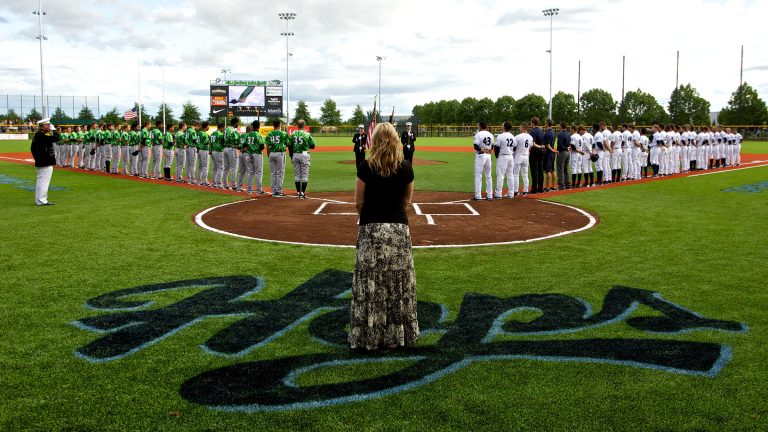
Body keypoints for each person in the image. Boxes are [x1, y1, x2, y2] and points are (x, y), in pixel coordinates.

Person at [350, 122, 418, 351]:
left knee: (371, 283)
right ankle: (394, 337)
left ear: (375, 140)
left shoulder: (366, 166)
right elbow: (407, 201)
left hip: (371, 228)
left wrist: (371, 216)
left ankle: (370, 336)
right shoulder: (406, 167)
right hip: (398, 228)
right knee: (397, 284)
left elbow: (359, 202)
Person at [30, 118, 60, 206]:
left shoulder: (39, 134)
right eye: (48, 125)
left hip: (42, 162)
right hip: (45, 162)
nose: (50, 126)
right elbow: (57, 138)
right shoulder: (41, 135)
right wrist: (54, 130)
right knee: (43, 182)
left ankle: (39, 200)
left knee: (41, 181)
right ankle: (41, 200)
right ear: (43, 126)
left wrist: (38, 159)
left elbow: (32, 149)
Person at [237, 122, 266, 194]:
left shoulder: (248, 135)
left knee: (250, 172)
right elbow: (262, 146)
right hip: (257, 154)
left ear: (253, 126)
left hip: (249, 154)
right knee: (258, 172)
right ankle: (258, 190)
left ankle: (248, 189)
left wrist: (249, 151)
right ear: (259, 127)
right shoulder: (259, 135)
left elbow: (244, 145)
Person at [289, 119, 316, 198]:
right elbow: (313, 146)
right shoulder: (306, 134)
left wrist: (291, 155)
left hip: (295, 154)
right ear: (304, 125)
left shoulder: (293, 133)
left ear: (297, 125)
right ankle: (302, 193)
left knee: (297, 174)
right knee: (304, 174)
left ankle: (298, 192)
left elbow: (289, 145)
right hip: (304, 154)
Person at [266, 119, 289, 197]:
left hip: (271, 153)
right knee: (280, 173)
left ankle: (273, 191)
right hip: (280, 154)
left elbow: (267, 146)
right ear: (279, 124)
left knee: (273, 173)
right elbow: (288, 143)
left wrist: (269, 155)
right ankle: (278, 191)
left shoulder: (269, 134)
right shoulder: (283, 133)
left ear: (273, 125)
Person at [472, 121, 494, 201]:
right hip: (488, 156)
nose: (478, 127)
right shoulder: (490, 134)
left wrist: (481, 149)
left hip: (481, 155)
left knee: (478, 176)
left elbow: (475, 146)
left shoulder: (478, 134)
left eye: (478, 126)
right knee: (488, 176)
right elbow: (492, 145)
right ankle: (490, 195)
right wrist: (489, 150)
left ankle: (478, 196)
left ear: (481, 127)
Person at [493, 120, 515, 199]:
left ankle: (498, 193)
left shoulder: (501, 136)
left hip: (503, 156)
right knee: (510, 175)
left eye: (503, 125)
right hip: (511, 157)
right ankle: (511, 193)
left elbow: (496, 148)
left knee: (500, 175)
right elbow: (514, 148)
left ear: (504, 127)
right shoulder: (513, 136)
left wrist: (497, 156)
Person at [512, 122, 533, 196]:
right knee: (525, 174)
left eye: (520, 127)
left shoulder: (517, 137)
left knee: (516, 174)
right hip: (526, 156)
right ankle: (525, 190)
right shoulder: (530, 137)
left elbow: (514, 147)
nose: (519, 128)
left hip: (518, 156)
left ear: (523, 127)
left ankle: (515, 190)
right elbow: (530, 147)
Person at [528, 117, 546, 194]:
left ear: (532, 123)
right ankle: (541, 188)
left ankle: (534, 189)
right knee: (540, 170)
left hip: (535, 152)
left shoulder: (533, 131)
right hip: (541, 152)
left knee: (534, 171)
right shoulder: (542, 131)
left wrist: (539, 146)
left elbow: (533, 143)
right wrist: (542, 146)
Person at [223, 117, 240, 189]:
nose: (238, 124)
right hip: (232, 149)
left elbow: (222, 139)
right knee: (234, 168)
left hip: (225, 149)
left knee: (226, 168)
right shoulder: (234, 131)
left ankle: (225, 184)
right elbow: (237, 141)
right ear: (235, 123)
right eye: (237, 123)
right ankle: (234, 185)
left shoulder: (226, 129)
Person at [210, 123, 226, 188]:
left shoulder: (213, 133)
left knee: (214, 168)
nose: (224, 129)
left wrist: (210, 150)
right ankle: (219, 183)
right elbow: (224, 143)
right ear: (221, 127)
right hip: (219, 151)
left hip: (213, 151)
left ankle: (213, 183)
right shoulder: (221, 134)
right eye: (224, 127)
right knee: (220, 168)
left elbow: (210, 142)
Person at [556, 121, 571, 190]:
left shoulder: (560, 134)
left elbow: (560, 145)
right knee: (565, 169)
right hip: (568, 153)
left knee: (560, 169)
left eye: (559, 125)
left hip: (562, 152)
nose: (558, 127)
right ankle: (567, 185)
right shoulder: (568, 133)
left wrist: (558, 151)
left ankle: (561, 186)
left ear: (561, 126)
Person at [543, 119, 556, 192]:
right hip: (552, 154)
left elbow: (547, 145)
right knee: (552, 170)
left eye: (545, 123)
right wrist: (553, 151)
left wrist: (553, 150)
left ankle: (547, 187)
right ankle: (553, 186)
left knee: (548, 170)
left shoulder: (547, 133)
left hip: (548, 153)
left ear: (547, 124)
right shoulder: (553, 132)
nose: (544, 124)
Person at [196, 122, 211, 186]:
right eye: (208, 126)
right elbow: (206, 143)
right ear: (206, 126)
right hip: (204, 150)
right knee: (205, 167)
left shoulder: (198, 133)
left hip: (199, 150)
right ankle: (205, 181)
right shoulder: (205, 134)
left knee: (200, 167)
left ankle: (198, 181)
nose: (209, 127)